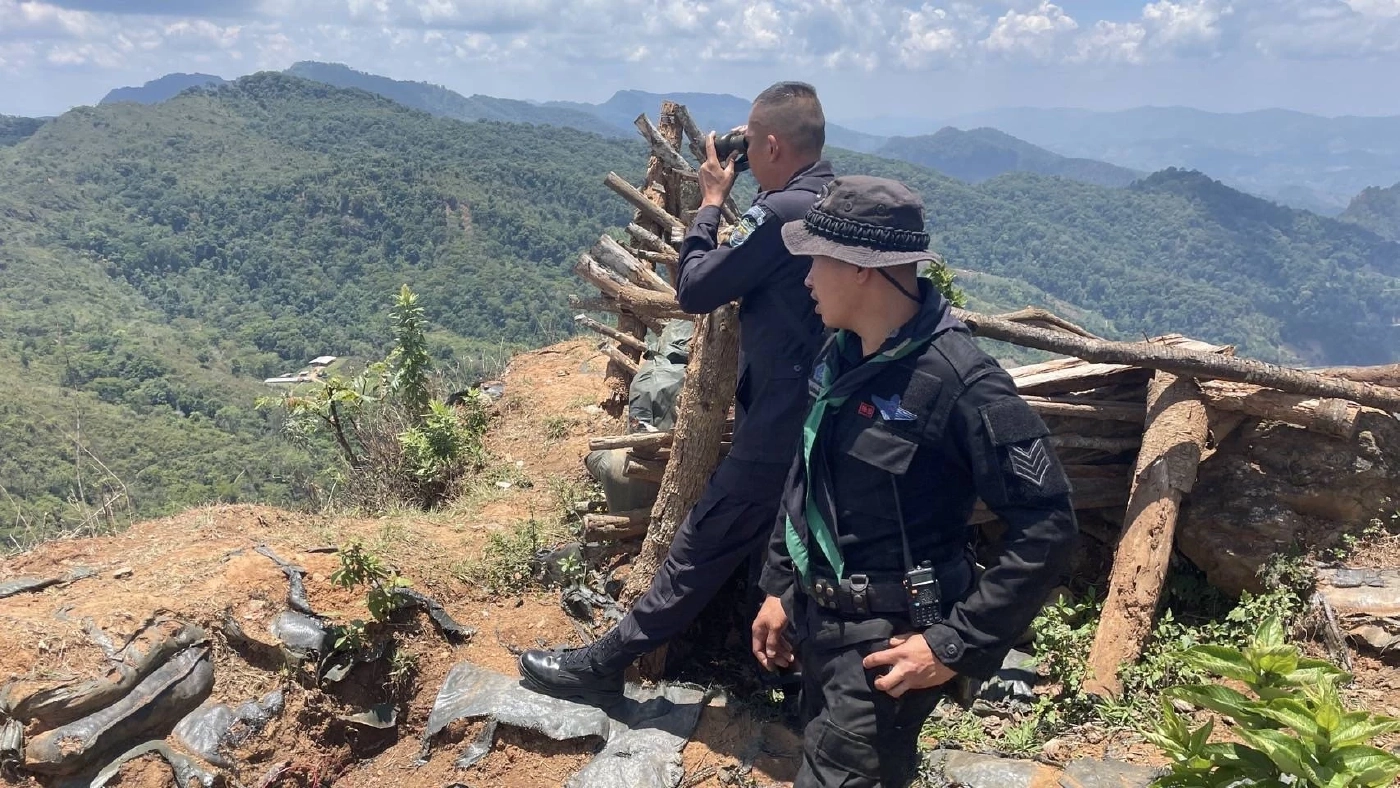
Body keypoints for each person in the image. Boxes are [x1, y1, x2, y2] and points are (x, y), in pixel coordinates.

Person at [750, 175, 1079, 787]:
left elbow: (1049, 527)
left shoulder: (963, 384)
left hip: (890, 643)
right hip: (821, 626)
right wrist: (779, 587)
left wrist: (952, 644)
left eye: (817, 260)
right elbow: (807, 471)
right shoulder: (842, 353)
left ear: (861, 270)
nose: (806, 278)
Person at [518, 82, 836, 706]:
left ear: (770, 143)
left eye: (749, 138)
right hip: (827, 416)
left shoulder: (781, 218)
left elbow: (694, 288)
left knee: (702, 541)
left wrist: (712, 201)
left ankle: (605, 664)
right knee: (787, 546)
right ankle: (784, 679)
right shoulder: (835, 200)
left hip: (779, 423)